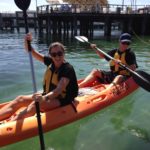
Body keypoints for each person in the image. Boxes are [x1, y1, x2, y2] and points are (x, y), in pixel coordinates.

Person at [0, 33, 78, 121]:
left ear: (64, 53)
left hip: (62, 99)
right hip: (48, 95)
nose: (57, 57)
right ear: (50, 55)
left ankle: (11, 123)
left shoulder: (67, 69)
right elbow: (32, 52)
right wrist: (27, 42)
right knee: (20, 99)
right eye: (54, 54)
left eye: (60, 53)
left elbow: (58, 90)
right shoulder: (51, 62)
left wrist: (44, 98)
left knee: (36, 104)